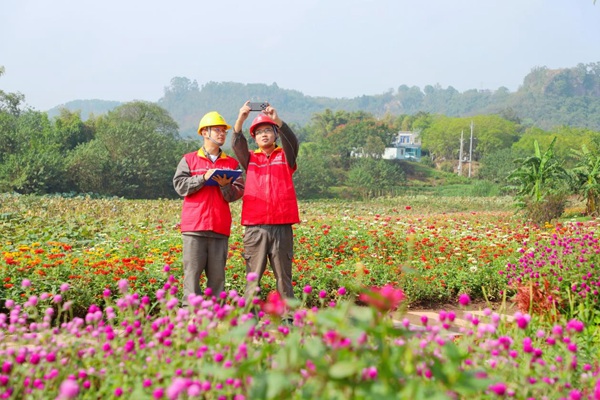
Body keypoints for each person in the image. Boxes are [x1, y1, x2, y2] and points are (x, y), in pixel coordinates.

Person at [173, 111, 244, 305]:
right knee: (192, 277)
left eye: (224, 131)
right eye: (217, 130)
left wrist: (224, 185)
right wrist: (202, 178)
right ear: (205, 132)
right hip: (194, 227)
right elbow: (180, 186)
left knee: (217, 280)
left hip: (219, 227)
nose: (222, 134)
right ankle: (190, 317)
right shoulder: (188, 160)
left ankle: (216, 319)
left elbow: (238, 193)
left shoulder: (231, 164)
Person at [232, 101, 300, 303]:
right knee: (253, 278)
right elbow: (237, 144)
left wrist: (277, 119)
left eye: (268, 130)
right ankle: (250, 317)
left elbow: (292, 141)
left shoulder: (286, 156)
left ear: (275, 134)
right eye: (259, 132)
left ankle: (288, 318)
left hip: (282, 226)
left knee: (284, 277)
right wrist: (240, 120)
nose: (263, 134)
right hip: (255, 227)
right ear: (254, 138)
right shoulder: (250, 159)